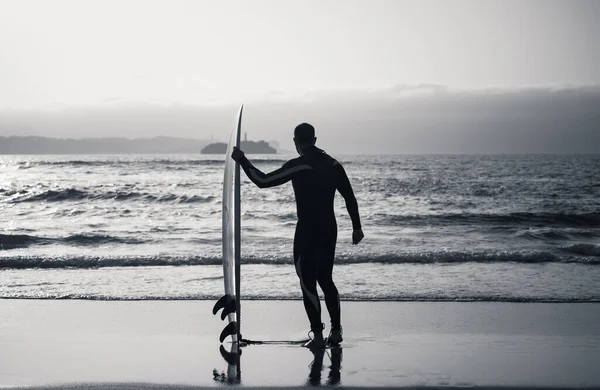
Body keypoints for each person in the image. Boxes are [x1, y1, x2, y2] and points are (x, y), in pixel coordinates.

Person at [231, 122, 364, 349]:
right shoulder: (334, 165)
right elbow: (349, 197)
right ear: (314, 139)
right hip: (330, 230)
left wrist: (242, 159)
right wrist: (357, 227)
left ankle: (318, 336)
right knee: (326, 279)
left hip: (308, 232)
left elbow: (263, 181)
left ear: (295, 142)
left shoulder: (299, 165)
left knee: (307, 283)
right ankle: (336, 330)